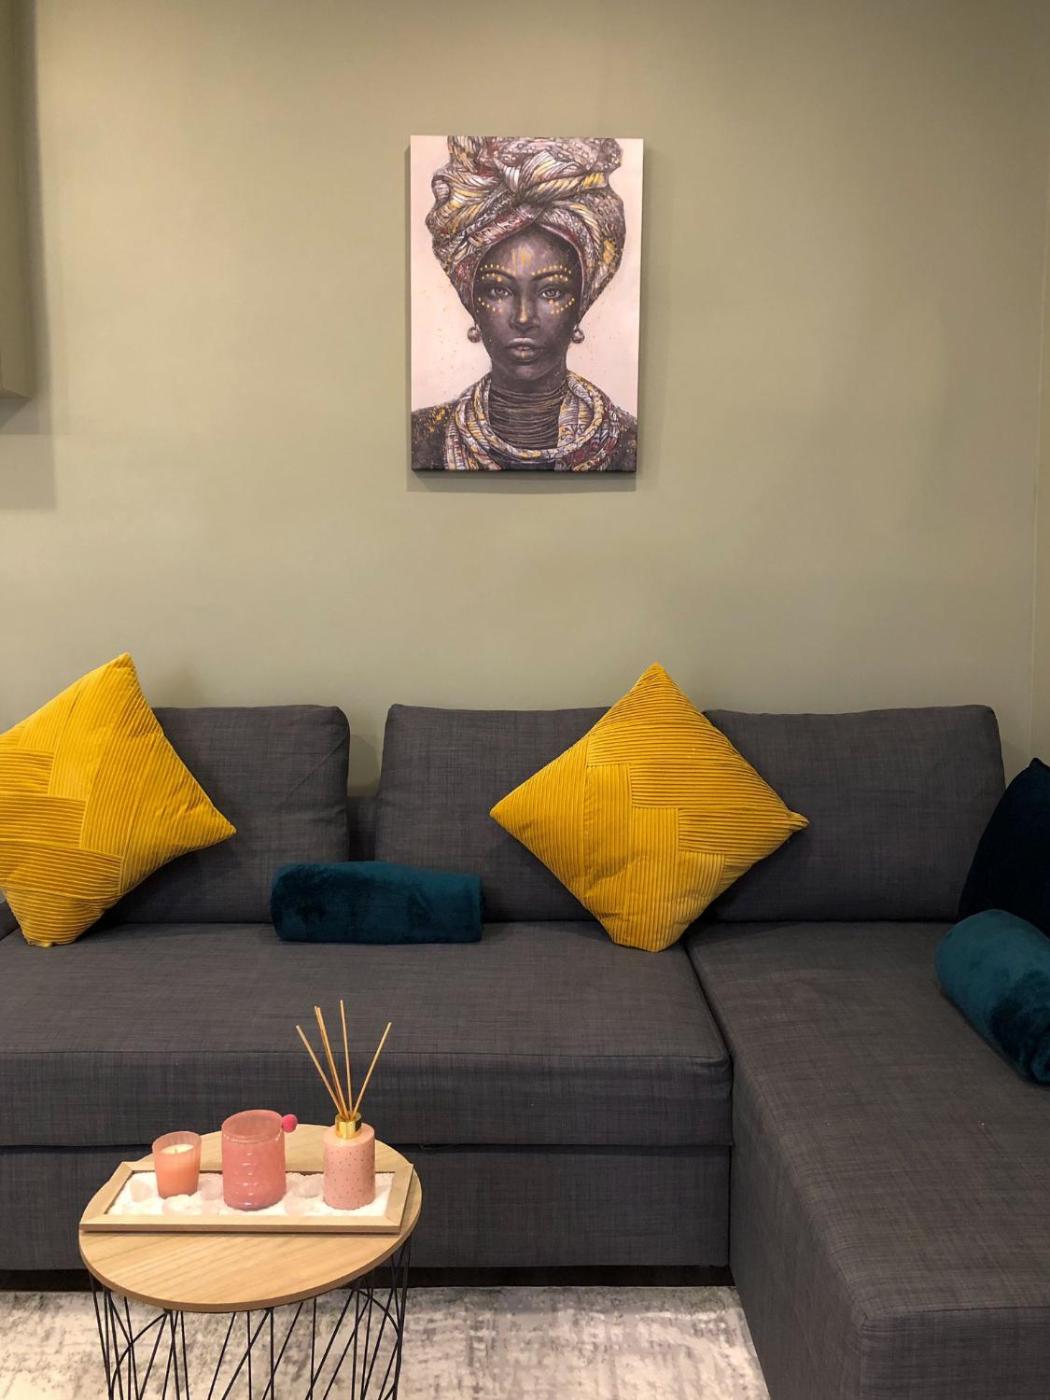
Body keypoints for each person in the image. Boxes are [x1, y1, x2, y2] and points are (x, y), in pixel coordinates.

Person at [412, 136, 638, 473]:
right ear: (471, 301)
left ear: (581, 303)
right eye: (498, 290)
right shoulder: (423, 438)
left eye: (551, 292)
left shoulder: (627, 443)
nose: (523, 317)